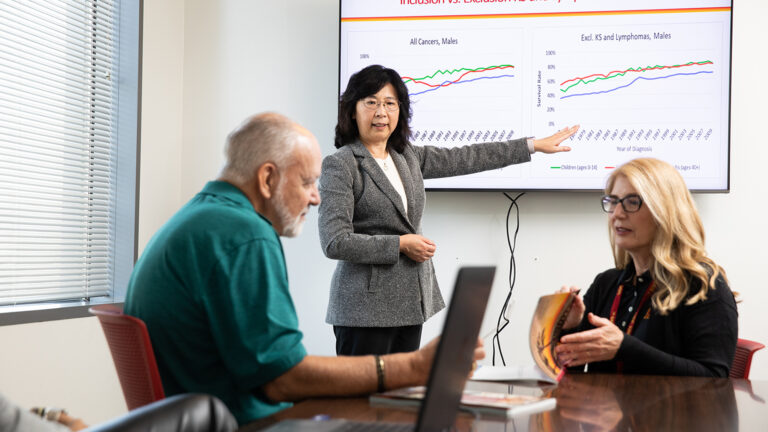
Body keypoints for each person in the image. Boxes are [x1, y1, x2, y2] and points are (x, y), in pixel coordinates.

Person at [124, 113, 484, 425]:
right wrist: (413, 368)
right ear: (267, 179)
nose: (316, 197)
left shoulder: (201, 218)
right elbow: (282, 378)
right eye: (308, 182)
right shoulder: (244, 235)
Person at [319, 64, 580, 356]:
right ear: (352, 110)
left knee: (402, 397)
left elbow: (468, 157)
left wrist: (531, 146)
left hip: (410, 304)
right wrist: (400, 245)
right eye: (371, 102)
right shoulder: (341, 164)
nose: (381, 112)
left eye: (390, 103)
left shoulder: (407, 156)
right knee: (366, 400)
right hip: (364, 312)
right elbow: (335, 241)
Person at [554, 157, 737, 377]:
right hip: (605, 410)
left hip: (673, 412)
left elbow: (714, 380)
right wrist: (570, 327)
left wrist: (624, 348)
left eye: (632, 202)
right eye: (613, 201)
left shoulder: (702, 285)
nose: (617, 214)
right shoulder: (607, 284)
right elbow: (569, 374)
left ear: (665, 212)